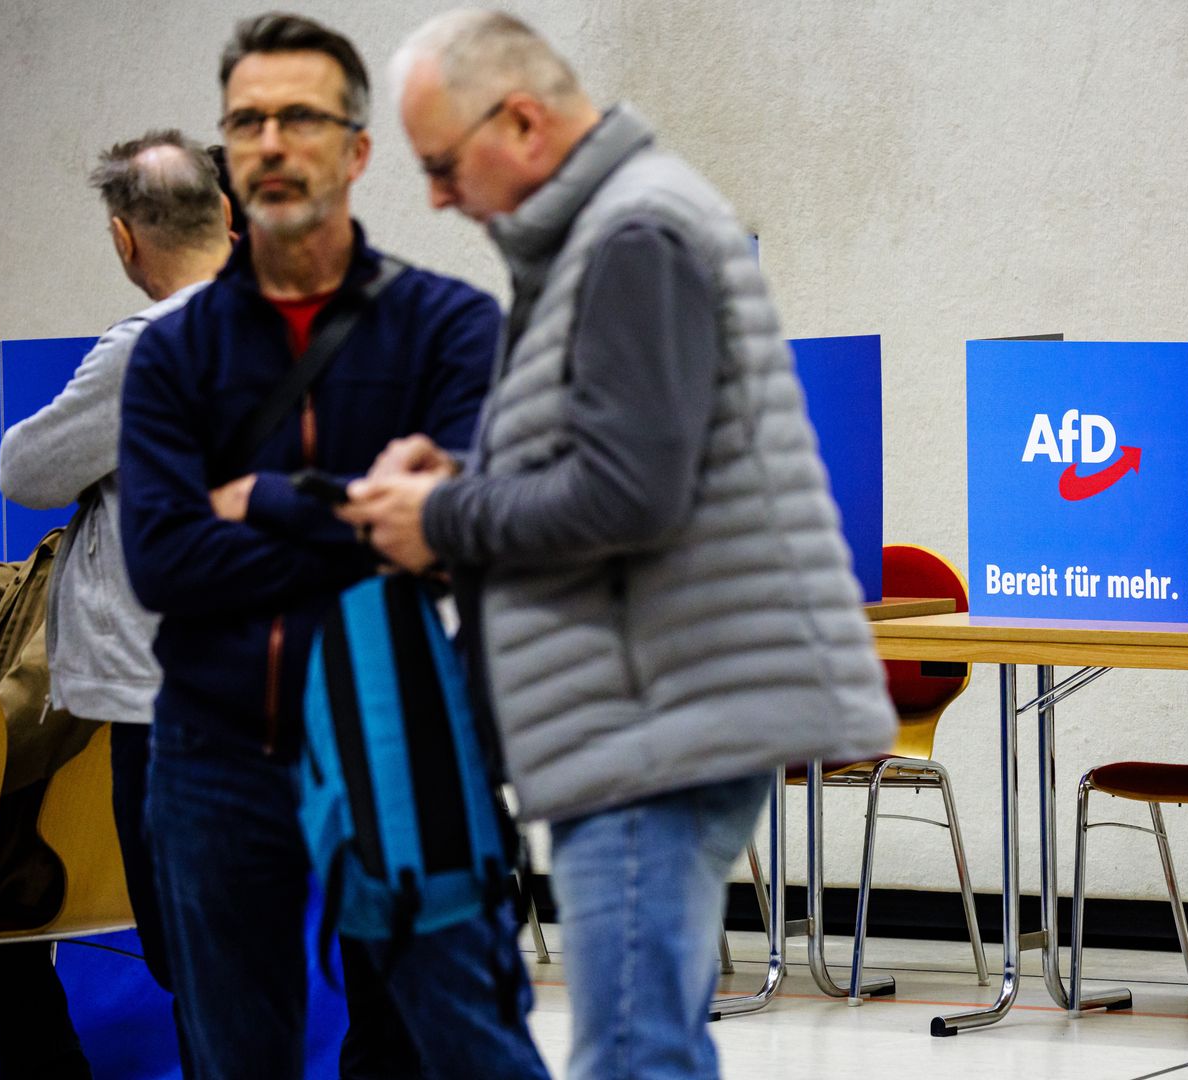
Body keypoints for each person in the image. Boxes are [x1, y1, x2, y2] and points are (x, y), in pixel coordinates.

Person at [347, 10, 897, 1077]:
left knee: (633, 1055)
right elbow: (624, 465)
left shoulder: (633, 235)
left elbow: (630, 494)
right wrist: (467, 485)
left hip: (660, 720)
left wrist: (442, 520)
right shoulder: (603, 236)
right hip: (646, 710)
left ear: (521, 120)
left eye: (443, 164)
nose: (436, 198)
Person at [116, 13, 547, 1080]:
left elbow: (462, 530)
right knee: (233, 1055)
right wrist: (366, 523)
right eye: (247, 119)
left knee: (454, 1048)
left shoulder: (447, 327)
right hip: (213, 751)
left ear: (356, 149)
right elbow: (162, 562)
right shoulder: (173, 357)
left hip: (399, 726)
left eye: (300, 116)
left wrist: (256, 496)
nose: (272, 140)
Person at [0, 129, 233, 1080]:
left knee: (199, 962)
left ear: (131, 238)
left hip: (167, 706)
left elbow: (26, 469)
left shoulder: (152, 349)